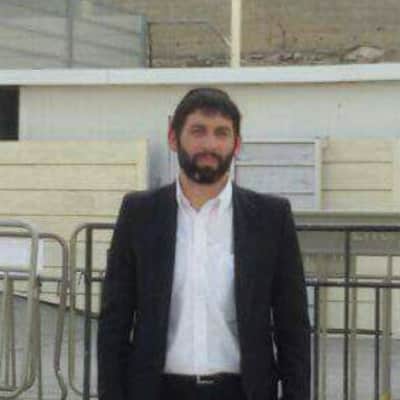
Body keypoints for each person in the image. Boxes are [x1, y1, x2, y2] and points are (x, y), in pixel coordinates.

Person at [97, 87, 310, 400]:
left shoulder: (271, 218)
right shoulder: (139, 214)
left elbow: (293, 327)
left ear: (236, 144)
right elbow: (114, 322)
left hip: (243, 392)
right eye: (198, 131)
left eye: (221, 133)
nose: (210, 144)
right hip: (157, 391)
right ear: (173, 138)